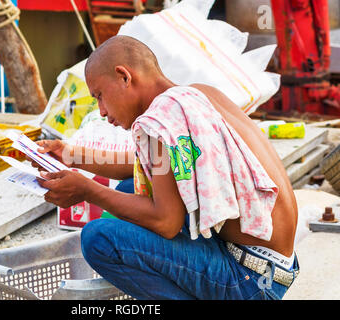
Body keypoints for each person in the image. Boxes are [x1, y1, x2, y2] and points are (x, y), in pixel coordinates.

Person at [30, 35, 300, 300]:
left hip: (249, 281)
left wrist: (88, 190)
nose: (101, 110)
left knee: (98, 239)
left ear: (124, 76)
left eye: (100, 95)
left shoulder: (163, 117)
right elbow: (151, 169)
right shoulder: (195, 96)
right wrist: (70, 155)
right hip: (275, 269)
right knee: (130, 188)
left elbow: (166, 222)